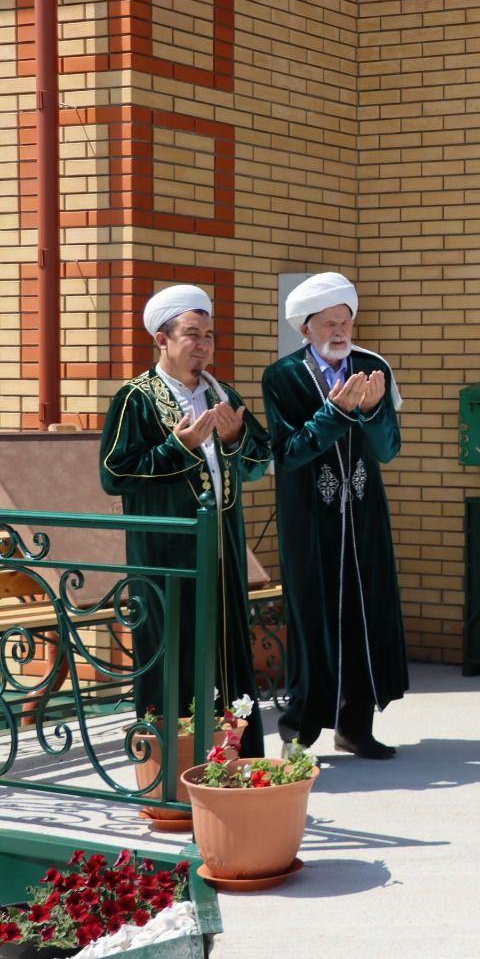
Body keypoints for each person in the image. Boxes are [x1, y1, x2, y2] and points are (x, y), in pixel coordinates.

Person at [99, 285, 270, 757]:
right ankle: (169, 767)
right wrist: (179, 447)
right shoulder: (136, 399)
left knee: (228, 654)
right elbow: (114, 473)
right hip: (166, 558)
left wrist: (235, 440)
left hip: (223, 552)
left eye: (209, 336)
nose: (203, 345)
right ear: (162, 340)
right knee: (173, 654)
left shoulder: (222, 394)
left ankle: (236, 759)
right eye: (192, 334)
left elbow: (258, 460)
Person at [262, 272, 407, 760]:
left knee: (367, 616)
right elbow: (289, 453)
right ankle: (299, 734)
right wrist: (337, 414)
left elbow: (389, 449)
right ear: (306, 329)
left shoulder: (371, 367)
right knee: (313, 619)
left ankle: (356, 727)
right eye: (329, 324)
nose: (341, 332)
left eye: (346, 321)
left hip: (363, 516)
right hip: (310, 521)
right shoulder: (282, 377)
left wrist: (371, 412)